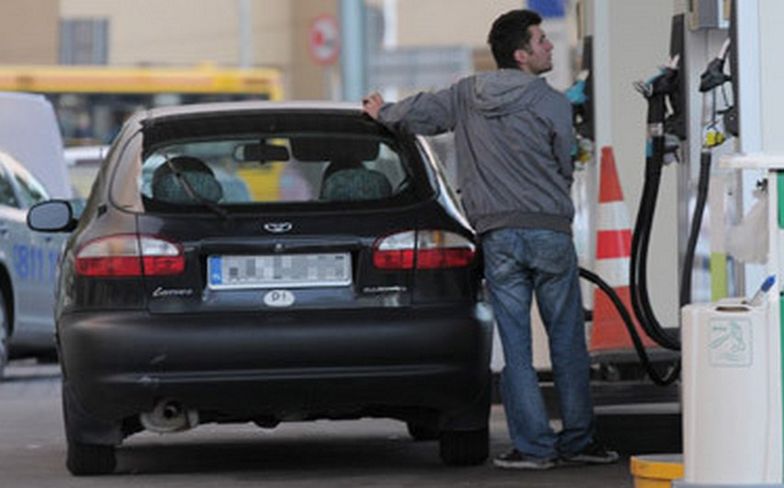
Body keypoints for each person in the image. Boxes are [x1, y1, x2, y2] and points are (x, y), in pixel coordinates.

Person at [362, 9, 618, 470]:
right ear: (521, 55)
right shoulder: (554, 104)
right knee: (566, 342)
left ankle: (535, 449)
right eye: (541, 41)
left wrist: (384, 113)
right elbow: (565, 163)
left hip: (498, 236)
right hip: (549, 234)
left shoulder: (465, 95)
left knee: (516, 347)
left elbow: (418, 114)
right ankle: (579, 442)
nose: (549, 47)